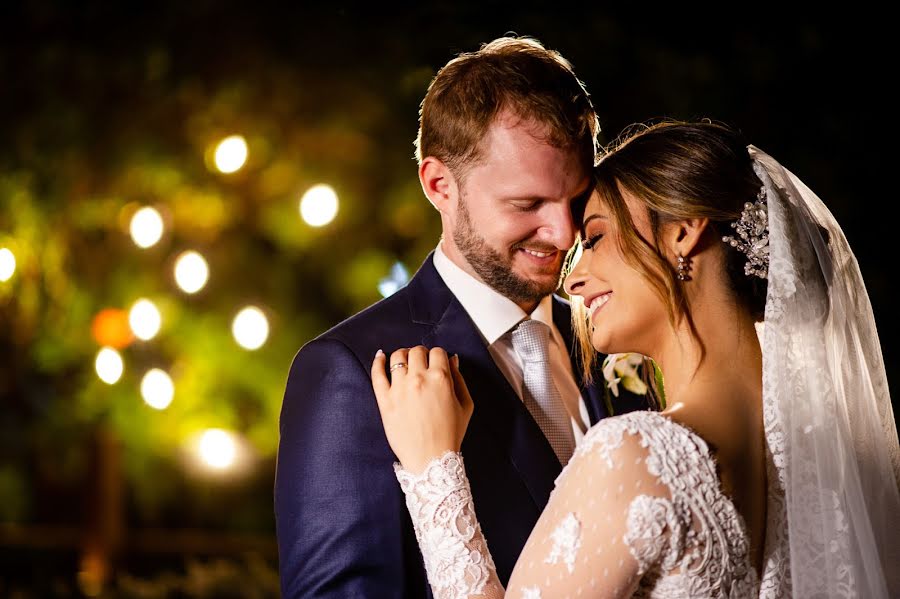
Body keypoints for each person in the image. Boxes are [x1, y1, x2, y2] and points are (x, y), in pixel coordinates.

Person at [372, 121, 900, 598]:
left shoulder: (636, 455)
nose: (572, 279)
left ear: (681, 231)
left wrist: (433, 474)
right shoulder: (824, 458)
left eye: (596, 238)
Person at [274, 37, 645, 598]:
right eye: (528, 205)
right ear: (439, 185)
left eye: (575, 200)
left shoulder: (620, 339)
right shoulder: (348, 371)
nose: (565, 233)